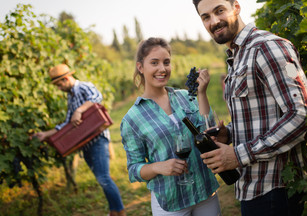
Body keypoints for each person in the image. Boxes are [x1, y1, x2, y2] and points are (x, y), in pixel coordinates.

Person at [191, 0, 307, 216]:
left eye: (219, 11)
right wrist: (230, 134)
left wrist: (238, 155)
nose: (213, 22)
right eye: (205, 17)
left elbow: (303, 114)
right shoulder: (237, 57)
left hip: (277, 189)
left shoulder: (267, 48)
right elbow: (262, 117)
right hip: (252, 187)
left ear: (236, 7)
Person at [120, 37, 221, 216]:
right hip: (171, 201)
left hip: (204, 190)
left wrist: (202, 94)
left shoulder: (185, 96)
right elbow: (133, 169)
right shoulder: (132, 119)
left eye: (166, 62)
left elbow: (209, 130)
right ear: (140, 67)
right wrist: (158, 167)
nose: (162, 69)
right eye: (154, 62)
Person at [33, 64, 126, 216]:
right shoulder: (71, 97)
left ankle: (120, 212)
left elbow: (97, 97)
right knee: (101, 178)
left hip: (97, 139)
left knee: (103, 178)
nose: (58, 88)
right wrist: (46, 134)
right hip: (85, 143)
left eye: (59, 84)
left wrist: (79, 110)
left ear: (66, 78)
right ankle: (113, 211)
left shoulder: (84, 87)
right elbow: (68, 124)